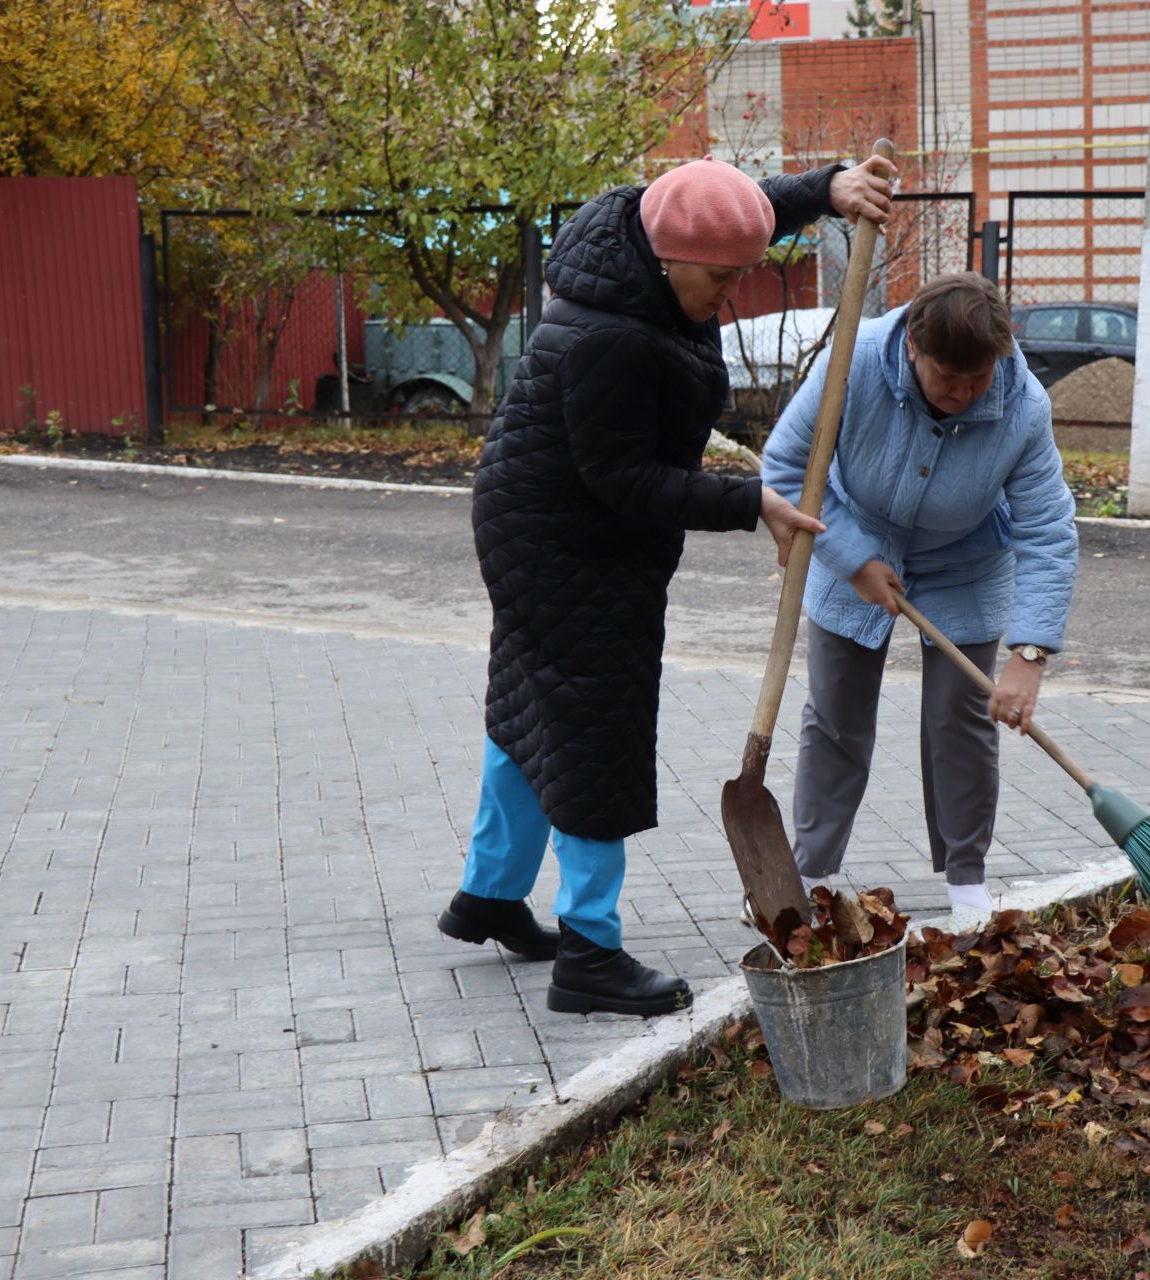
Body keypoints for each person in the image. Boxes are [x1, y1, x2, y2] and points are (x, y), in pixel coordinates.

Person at [440, 153, 897, 1018]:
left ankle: (490, 894)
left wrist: (826, 188)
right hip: (568, 540)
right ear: (668, 258)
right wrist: (748, 501)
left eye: (742, 274)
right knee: (593, 729)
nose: (730, 294)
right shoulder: (611, 337)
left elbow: (736, 208)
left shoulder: (645, 236)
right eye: (720, 279)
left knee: (531, 705)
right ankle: (590, 954)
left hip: (546, 522)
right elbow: (624, 479)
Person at [761, 272, 1079, 932]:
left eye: (978, 380)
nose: (963, 396)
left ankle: (967, 884)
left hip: (965, 561)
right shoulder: (853, 359)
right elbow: (787, 468)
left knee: (959, 722)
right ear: (913, 346)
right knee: (837, 719)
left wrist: (1029, 654)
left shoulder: (1023, 406)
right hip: (852, 537)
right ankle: (809, 876)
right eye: (947, 380)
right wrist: (851, 559)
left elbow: (1048, 528)